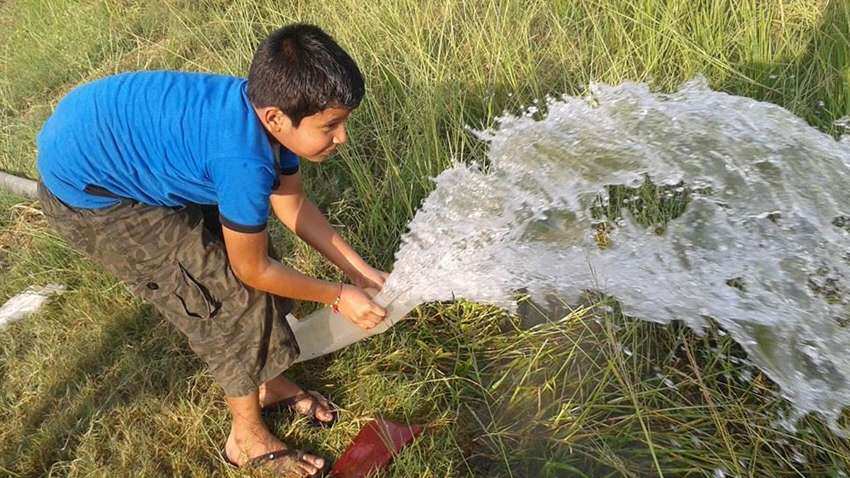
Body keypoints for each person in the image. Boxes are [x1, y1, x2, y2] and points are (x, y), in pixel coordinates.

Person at [35, 23, 387, 477]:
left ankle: (269, 383)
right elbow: (252, 270)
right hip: (93, 197)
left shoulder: (267, 121)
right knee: (222, 297)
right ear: (276, 117)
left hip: (111, 143)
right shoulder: (242, 160)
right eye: (331, 126)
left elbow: (293, 203)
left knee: (246, 256)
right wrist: (338, 295)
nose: (343, 138)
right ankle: (247, 439)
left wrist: (360, 273)